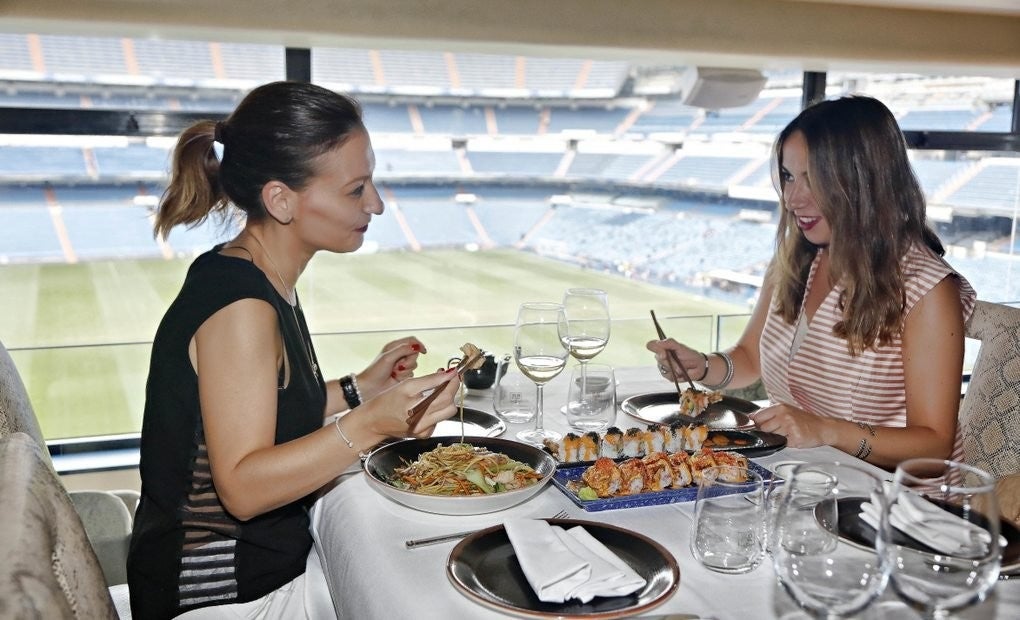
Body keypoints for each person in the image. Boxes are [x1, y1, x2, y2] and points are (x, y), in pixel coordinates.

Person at [127, 81, 461, 619]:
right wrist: (372, 423)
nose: (374, 204)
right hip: (222, 595)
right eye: (356, 190)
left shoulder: (255, 271)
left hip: (263, 569)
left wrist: (360, 389)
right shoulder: (242, 308)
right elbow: (242, 486)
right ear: (281, 199)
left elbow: (262, 408)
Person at [648, 95, 975, 471]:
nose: (791, 199)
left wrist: (827, 430)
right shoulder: (796, 259)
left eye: (813, 180)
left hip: (894, 507)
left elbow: (933, 447)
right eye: (788, 176)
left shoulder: (928, 290)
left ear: (866, 183)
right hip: (804, 476)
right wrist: (702, 366)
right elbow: (751, 359)